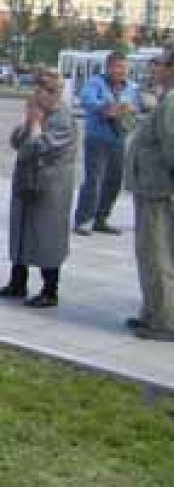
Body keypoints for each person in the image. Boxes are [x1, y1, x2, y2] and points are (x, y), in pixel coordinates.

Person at [0, 72, 77, 307]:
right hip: (27, 182)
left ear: (54, 93)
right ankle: (17, 282)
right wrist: (29, 122)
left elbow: (37, 146)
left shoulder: (62, 119)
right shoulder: (38, 114)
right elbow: (17, 141)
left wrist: (36, 124)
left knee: (47, 236)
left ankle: (50, 290)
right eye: (36, 90)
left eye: (42, 91)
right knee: (21, 232)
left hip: (50, 187)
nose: (37, 95)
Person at [124, 46, 174, 341]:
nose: (155, 68)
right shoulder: (166, 99)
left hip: (158, 192)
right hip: (152, 189)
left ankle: (163, 321)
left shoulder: (171, 103)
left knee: (157, 256)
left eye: (160, 63)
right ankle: (153, 312)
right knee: (154, 255)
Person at [73, 51, 138, 236]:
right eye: (118, 67)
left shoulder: (130, 87)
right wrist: (106, 106)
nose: (121, 71)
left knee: (114, 181)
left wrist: (130, 109)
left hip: (118, 138)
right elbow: (87, 100)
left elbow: (137, 107)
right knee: (94, 179)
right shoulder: (96, 82)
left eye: (124, 68)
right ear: (108, 67)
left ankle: (101, 219)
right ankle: (83, 220)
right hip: (97, 138)